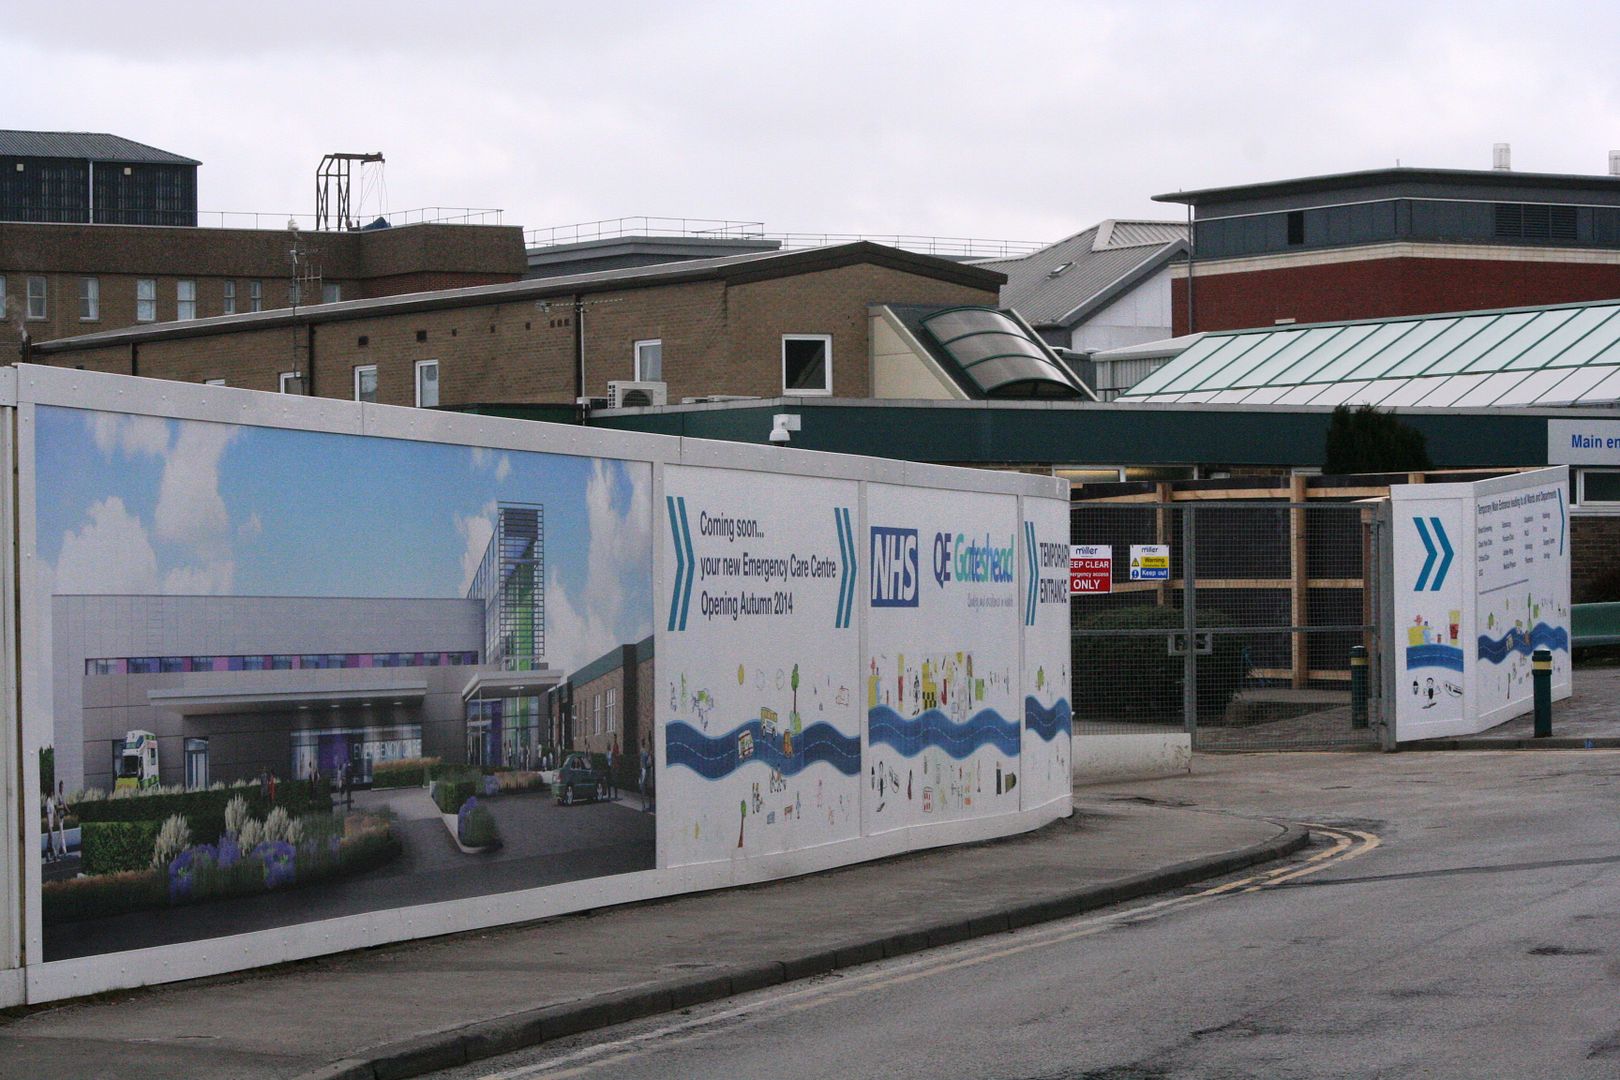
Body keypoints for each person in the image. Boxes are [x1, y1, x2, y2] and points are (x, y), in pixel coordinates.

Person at [53, 781, 68, 860]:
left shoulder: (63, 795)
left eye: (63, 786)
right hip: (59, 815)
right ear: (59, 787)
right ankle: (64, 850)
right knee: (62, 833)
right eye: (61, 787)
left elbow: (65, 804)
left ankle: (56, 851)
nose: (62, 788)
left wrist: (68, 809)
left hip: (63, 815)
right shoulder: (58, 796)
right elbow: (57, 807)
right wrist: (62, 806)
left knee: (60, 834)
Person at [639, 739, 654, 812]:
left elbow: (649, 760)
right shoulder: (643, 751)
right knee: (643, 788)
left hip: (647, 770)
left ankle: (649, 805)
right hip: (644, 770)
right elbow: (646, 756)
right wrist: (650, 750)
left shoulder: (645, 751)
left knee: (648, 788)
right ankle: (644, 806)